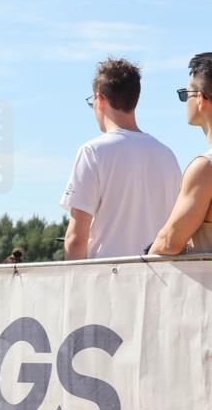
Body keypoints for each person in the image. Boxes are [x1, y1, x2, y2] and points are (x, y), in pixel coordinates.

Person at [61, 58, 181, 260]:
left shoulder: (92, 152)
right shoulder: (168, 156)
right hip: (157, 275)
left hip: (107, 276)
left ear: (99, 99)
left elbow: (76, 239)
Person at [150, 53, 212, 255]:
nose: (186, 101)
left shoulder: (207, 167)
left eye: (186, 94)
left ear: (201, 99)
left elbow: (169, 243)